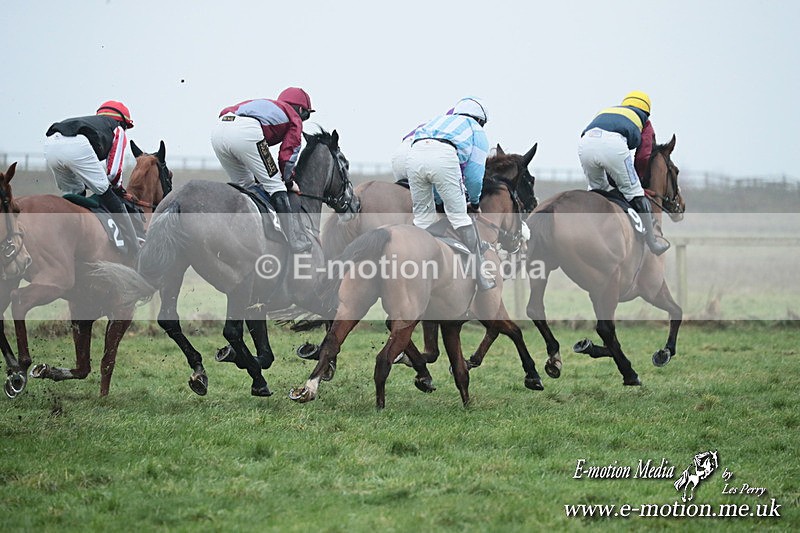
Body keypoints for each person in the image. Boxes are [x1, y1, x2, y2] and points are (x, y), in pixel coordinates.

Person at [211, 87, 314, 253]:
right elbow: (287, 155)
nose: (304, 120)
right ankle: (293, 240)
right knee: (276, 186)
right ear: (301, 110)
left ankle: (236, 236)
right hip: (245, 131)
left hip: (218, 130)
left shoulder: (269, 107)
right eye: (306, 115)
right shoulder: (293, 117)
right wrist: (288, 181)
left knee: (245, 186)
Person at [407, 97, 495, 290]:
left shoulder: (439, 119)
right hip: (443, 156)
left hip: (414, 154)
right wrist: (474, 202)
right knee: (460, 218)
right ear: (481, 120)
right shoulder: (476, 130)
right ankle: (480, 273)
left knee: (423, 220)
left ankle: (414, 271)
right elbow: (474, 176)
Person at [578, 90, 669, 255]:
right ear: (646, 110)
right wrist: (637, 180)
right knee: (635, 192)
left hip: (586, 143)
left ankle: (585, 233)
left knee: (598, 191)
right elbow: (643, 157)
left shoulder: (609, 110)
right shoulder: (645, 122)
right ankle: (652, 241)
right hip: (613, 144)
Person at [44, 100, 140, 255]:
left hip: (50, 145)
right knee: (108, 193)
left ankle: (65, 239)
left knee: (75, 193)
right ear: (122, 122)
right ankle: (135, 249)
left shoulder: (93, 124)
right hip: (76, 147)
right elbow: (114, 173)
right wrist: (119, 190)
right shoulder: (118, 129)